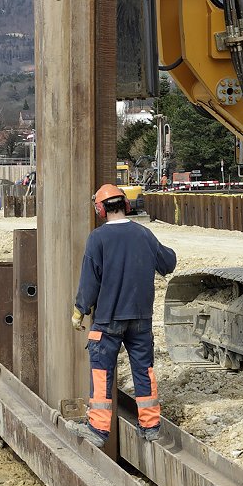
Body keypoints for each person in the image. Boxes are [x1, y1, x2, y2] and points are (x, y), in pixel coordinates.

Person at [67, 183, 177, 448]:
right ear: (126, 204)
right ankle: (150, 426)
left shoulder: (98, 238)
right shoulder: (144, 234)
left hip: (108, 320)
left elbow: (89, 281)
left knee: (102, 372)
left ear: (101, 209)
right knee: (144, 369)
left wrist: (79, 311)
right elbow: (168, 263)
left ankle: (98, 429)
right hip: (140, 319)